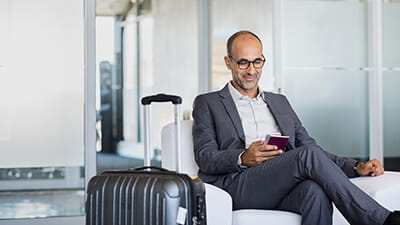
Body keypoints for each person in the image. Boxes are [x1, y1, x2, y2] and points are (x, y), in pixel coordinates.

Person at [192, 30, 400, 225]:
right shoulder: (208, 103)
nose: (252, 70)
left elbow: (312, 149)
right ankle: (379, 219)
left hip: (279, 183)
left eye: (257, 62)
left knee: (314, 191)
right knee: (306, 156)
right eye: (243, 63)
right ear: (228, 62)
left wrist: (356, 167)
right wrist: (242, 157)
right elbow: (205, 156)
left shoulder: (279, 102)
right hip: (238, 186)